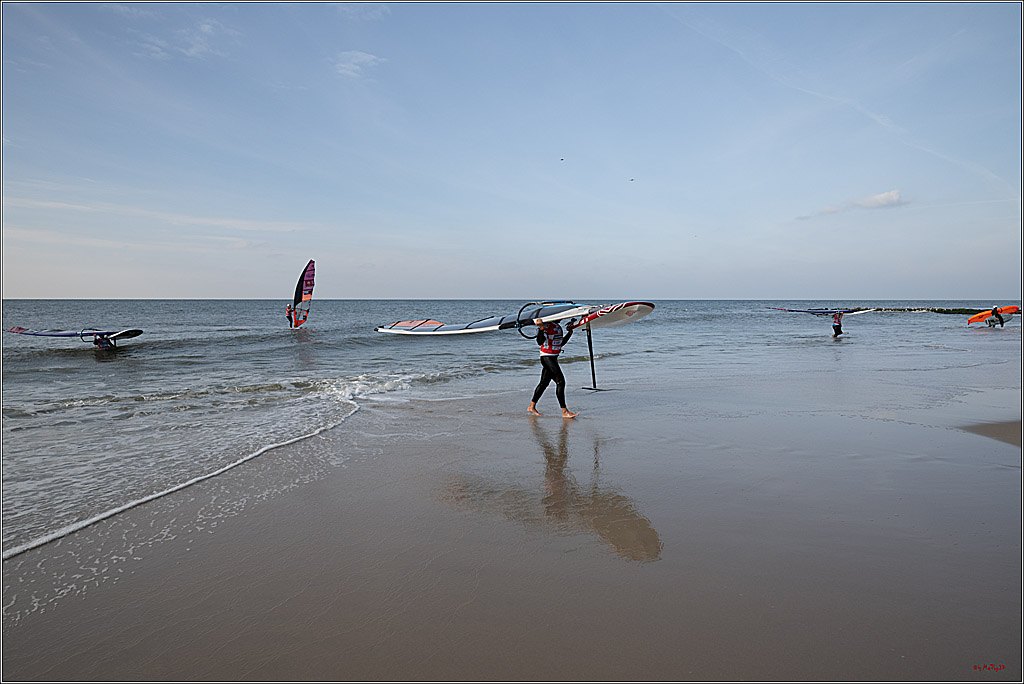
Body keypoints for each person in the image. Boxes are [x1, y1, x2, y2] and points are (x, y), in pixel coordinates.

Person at [527, 318, 578, 418]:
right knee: (560, 382)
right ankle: (564, 411)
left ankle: (531, 406)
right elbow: (539, 341)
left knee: (544, 383)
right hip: (547, 357)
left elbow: (560, 343)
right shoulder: (546, 326)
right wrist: (540, 328)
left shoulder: (558, 327)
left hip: (553, 358)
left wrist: (570, 333)